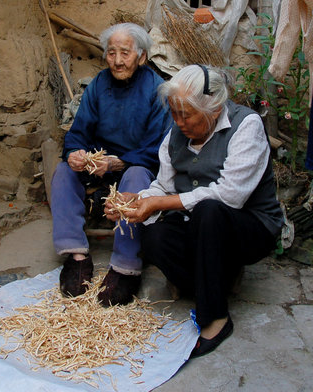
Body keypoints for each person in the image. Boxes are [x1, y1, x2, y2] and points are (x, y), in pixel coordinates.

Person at [105, 64, 284, 357]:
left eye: (186, 114)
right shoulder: (175, 134)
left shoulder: (246, 125)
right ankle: (217, 278)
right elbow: (162, 187)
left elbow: (230, 195)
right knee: (154, 237)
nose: (178, 122)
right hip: (200, 227)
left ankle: (215, 318)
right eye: (174, 113)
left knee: (209, 211)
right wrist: (134, 201)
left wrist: (160, 203)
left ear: (214, 109)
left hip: (250, 227)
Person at [51, 22, 172, 306]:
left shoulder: (157, 89)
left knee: (137, 176)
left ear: (141, 57)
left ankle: (125, 267)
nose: (117, 60)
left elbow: (158, 147)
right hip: (99, 164)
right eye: (111, 53)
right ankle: (76, 257)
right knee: (63, 171)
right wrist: (75, 153)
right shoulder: (98, 85)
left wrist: (118, 163)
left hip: (135, 165)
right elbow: (78, 132)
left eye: (125, 53)